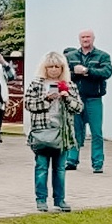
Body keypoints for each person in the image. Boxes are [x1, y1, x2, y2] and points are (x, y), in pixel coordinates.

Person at [24, 53, 83, 212]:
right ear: (45, 68)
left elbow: (79, 108)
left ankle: (60, 200)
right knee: (41, 168)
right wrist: (47, 99)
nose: (54, 70)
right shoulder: (36, 84)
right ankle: (41, 200)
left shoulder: (69, 85)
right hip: (42, 132)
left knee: (60, 169)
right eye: (50, 66)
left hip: (62, 134)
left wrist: (67, 98)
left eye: (58, 66)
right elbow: (29, 105)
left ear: (63, 68)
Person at [64, 30, 112, 174]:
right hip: (75, 98)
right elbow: (63, 75)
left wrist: (87, 71)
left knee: (96, 132)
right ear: (79, 39)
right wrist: (75, 73)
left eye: (88, 37)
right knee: (75, 131)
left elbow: (107, 72)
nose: (85, 39)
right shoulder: (70, 56)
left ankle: (97, 163)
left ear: (93, 39)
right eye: (83, 37)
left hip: (94, 98)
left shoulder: (102, 56)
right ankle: (71, 161)